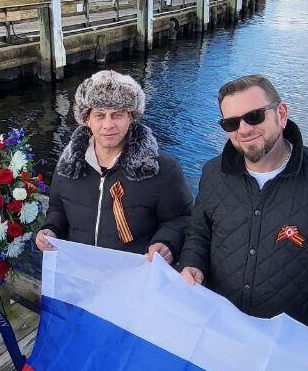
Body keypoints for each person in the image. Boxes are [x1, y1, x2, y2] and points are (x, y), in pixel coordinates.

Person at [178, 73, 308, 342]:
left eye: (254, 116)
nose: (243, 129)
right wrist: (192, 264)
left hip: (294, 346)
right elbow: (199, 232)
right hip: (222, 333)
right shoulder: (213, 174)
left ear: (281, 114)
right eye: (231, 123)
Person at [36, 70, 192, 262]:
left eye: (117, 115)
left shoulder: (162, 169)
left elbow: (181, 219)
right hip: (80, 274)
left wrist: (167, 243)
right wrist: (51, 230)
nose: (108, 125)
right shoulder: (68, 165)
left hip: (133, 280)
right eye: (100, 115)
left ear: (131, 117)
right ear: (87, 119)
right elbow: (57, 210)